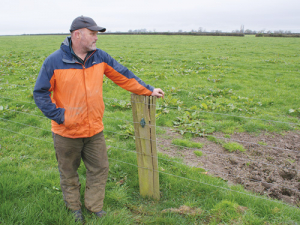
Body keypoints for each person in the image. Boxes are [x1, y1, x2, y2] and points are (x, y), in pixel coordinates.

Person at [33, 15, 164, 223]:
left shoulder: (99, 57)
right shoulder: (54, 61)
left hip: (94, 130)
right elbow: (40, 93)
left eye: (96, 34)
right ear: (77, 35)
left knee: (100, 169)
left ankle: (94, 207)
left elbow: (123, 75)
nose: (96, 38)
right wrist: (60, 116)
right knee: (68, 173)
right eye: (92, 33)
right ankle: (74, 209)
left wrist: (148, 90)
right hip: (66, 132)